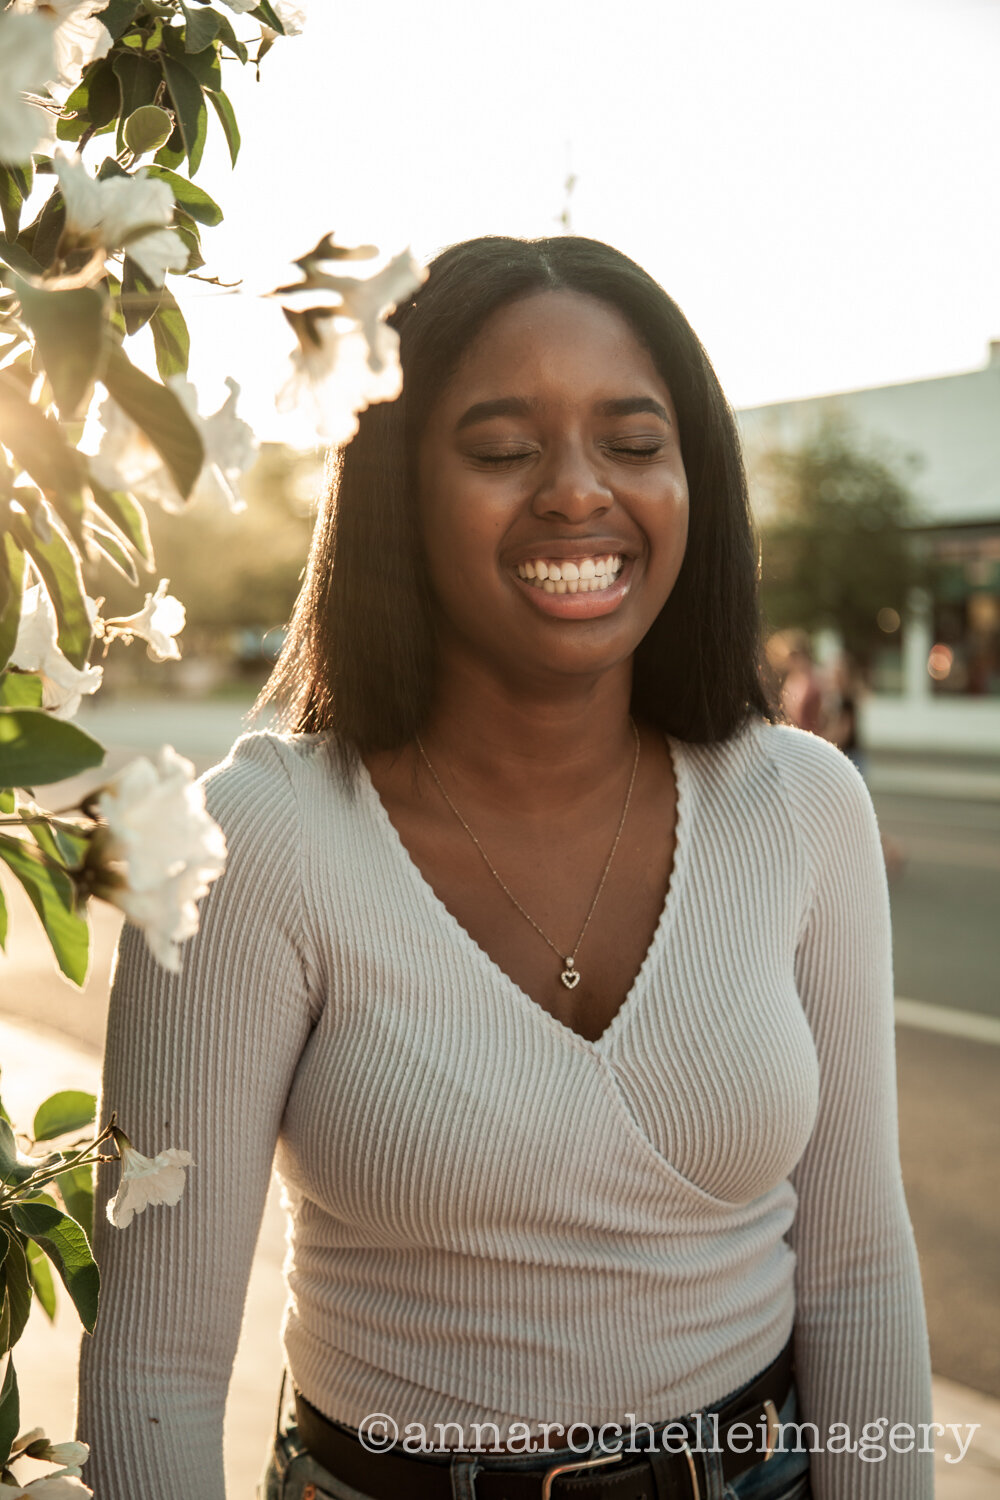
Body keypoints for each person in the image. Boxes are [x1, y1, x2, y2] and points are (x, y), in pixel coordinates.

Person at [77, 236, 933, 1500]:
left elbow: (859, 1273)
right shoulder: (255, 844)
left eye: (634, 443)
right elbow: (153, 1371)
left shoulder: (802, 806)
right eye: (500, 448)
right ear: (395, 488)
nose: (579, 491)